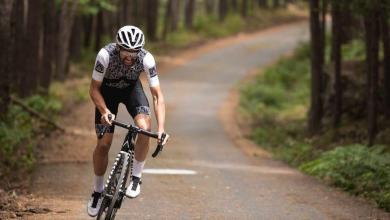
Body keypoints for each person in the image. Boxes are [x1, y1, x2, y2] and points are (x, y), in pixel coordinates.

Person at [87, 25, 168, 217]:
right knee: (104, 144)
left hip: (132, 90)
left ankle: (136, 177)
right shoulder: (105, 55)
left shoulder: (147, 59)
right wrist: (104, 111)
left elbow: (157, 96)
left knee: (145, 128)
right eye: (126, 52)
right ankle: (98, 191)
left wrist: (161, 129)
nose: (130, 57)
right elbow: (93, 89)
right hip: (106, 94)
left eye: (134, 53)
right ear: (118, 47)